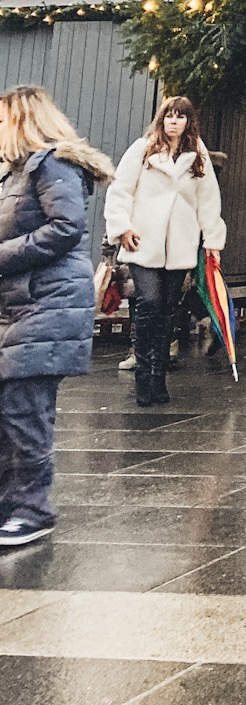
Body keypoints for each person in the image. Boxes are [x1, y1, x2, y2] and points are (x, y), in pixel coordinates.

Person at [0, 86, 116, 546]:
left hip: (46, 303)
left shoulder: (51, 165)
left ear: (21, 121)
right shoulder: (14, 173)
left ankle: (33, 510)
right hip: (19, 305)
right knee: (8, 410)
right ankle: (12, 505)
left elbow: (66, 228)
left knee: (24, 409)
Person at [104, 96, 225, 408]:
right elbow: (120, 191)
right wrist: (122, 228)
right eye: (169, 116)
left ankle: (159, 376)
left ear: (188, 121)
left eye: (180, 117)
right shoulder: (142, 149)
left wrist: (212, 240)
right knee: (149, 302)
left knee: (168, 309)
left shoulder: (197, 154)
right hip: (143, 242)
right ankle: (144, 374)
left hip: (180, 245)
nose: (174, 121)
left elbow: (208, 198)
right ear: (161, 119)